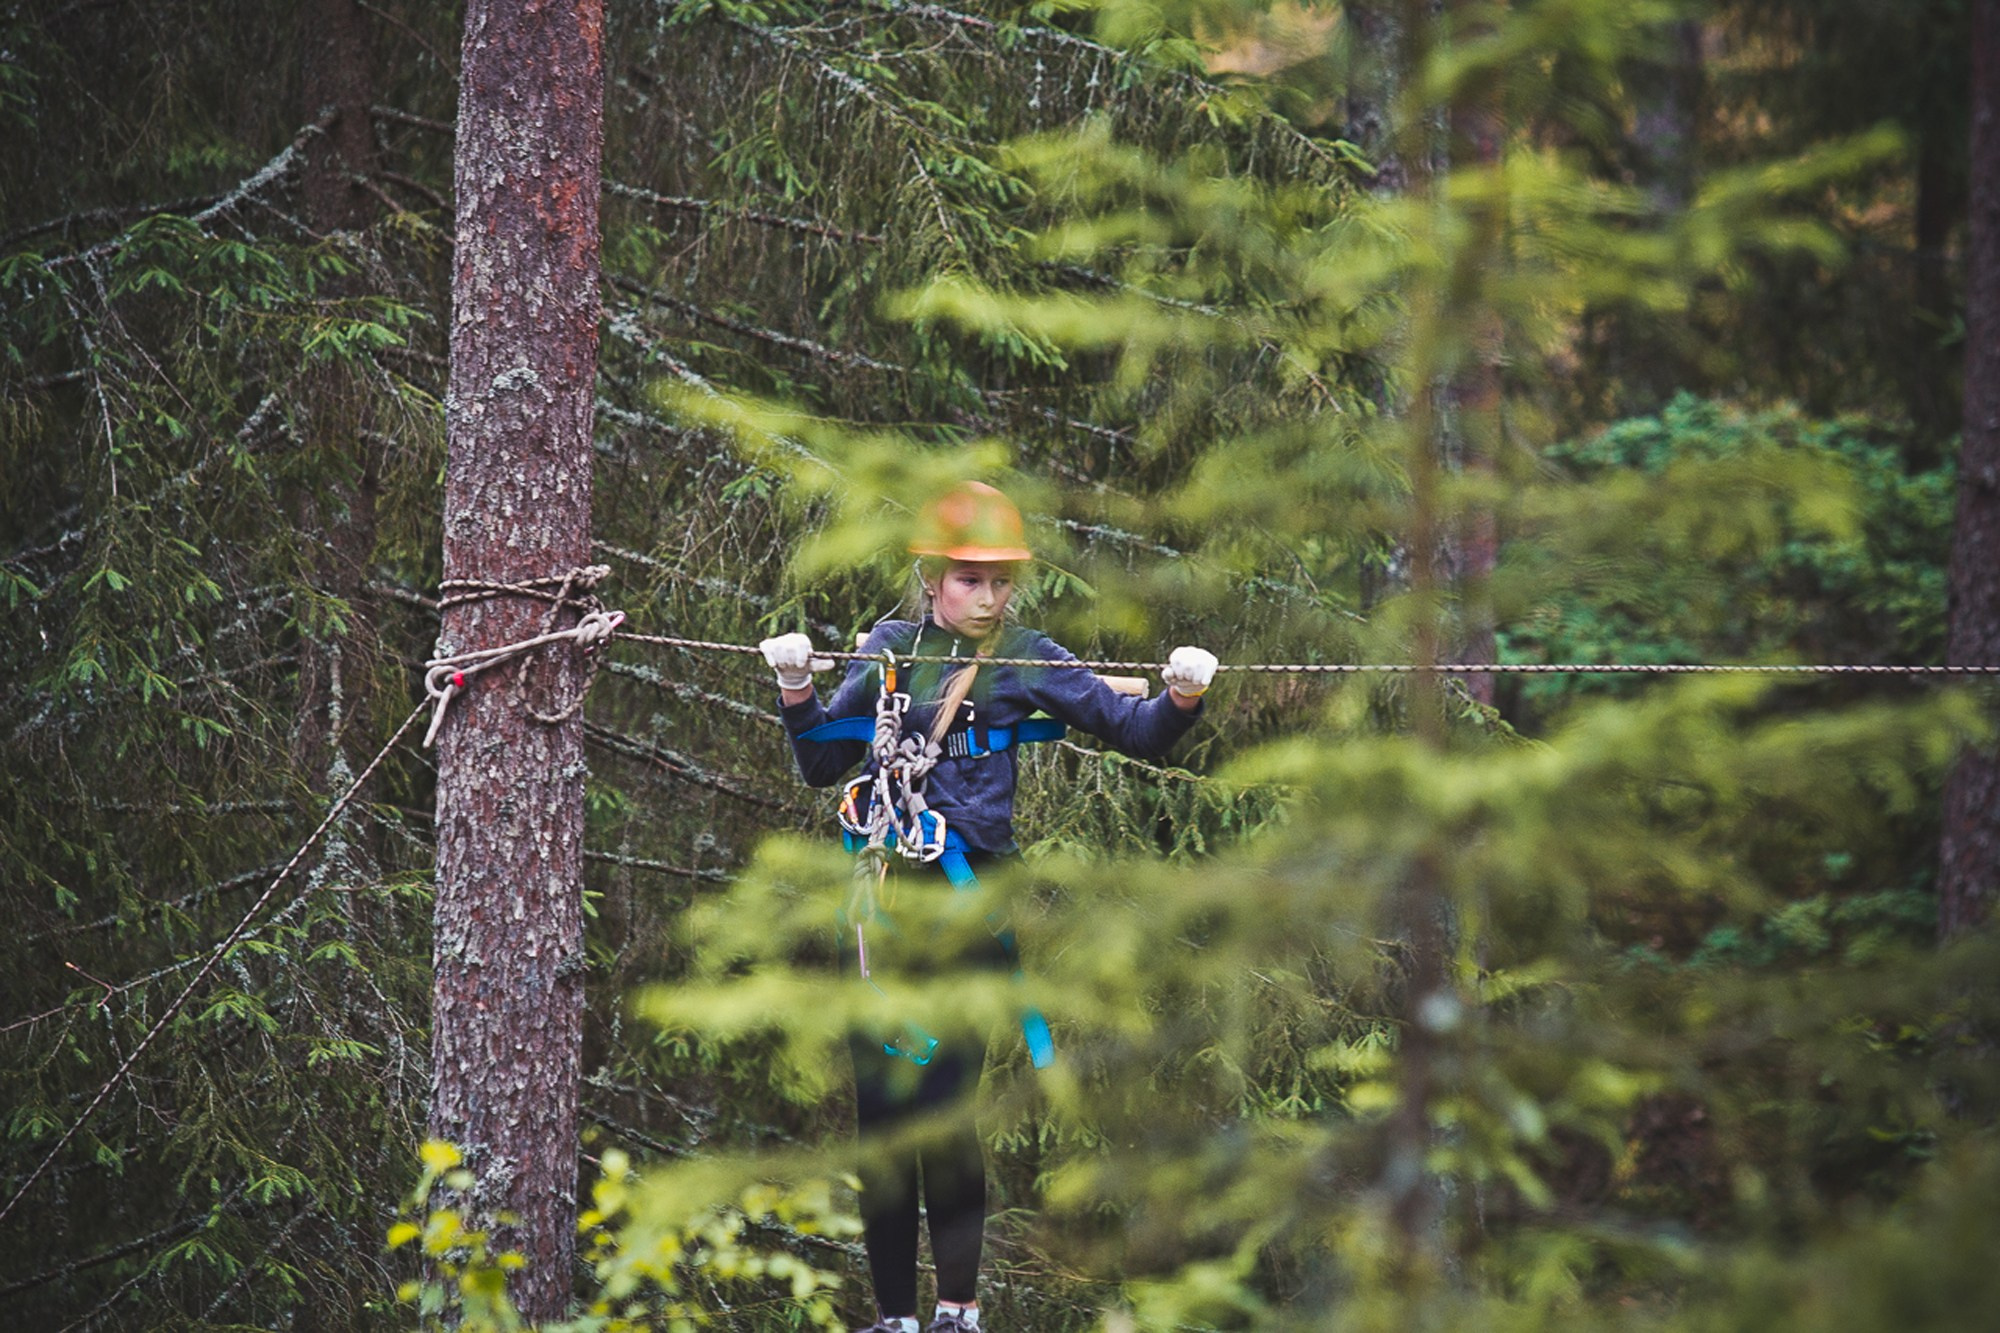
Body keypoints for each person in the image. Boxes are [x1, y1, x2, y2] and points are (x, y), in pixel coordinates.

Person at [758, 481, 1217, 1333]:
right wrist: (795, 690)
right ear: (933, 577)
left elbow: (1135, 728)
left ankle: (957, 1313)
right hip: (884, 911)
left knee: (943, 1114)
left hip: (969, 909)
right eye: (971, 579)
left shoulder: (1026, 657)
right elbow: (823, 761)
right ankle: (895, 1319)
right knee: (881, 1121)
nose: (989, 597)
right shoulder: (891, 649)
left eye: (1002, 581)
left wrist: (1182, 697)